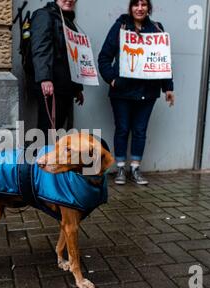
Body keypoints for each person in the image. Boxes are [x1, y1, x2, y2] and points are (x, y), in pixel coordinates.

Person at [98, 0, 175, 185]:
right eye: (136, 4)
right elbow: (104, 57)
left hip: (148, 92)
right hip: (122, 92)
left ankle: (135, 168)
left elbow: (162, 61)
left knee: (140, 130)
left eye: (144, 4)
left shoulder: (157, 29)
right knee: (122, 129)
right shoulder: (120, 27)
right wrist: (112, 79)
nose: (139, 8)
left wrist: (168, 87)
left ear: (149, 8)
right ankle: (121, 169)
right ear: (130, 7)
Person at [30, 0, 84, 141]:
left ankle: (49, 161)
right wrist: (45, 78)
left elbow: (72, 58)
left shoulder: (68, 21)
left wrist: (77, 87)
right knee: (47, 131)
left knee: (57, 131)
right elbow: (40, 48)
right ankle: (37, 162)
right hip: (51, 86)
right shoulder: (44, 16)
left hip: (65, 87)